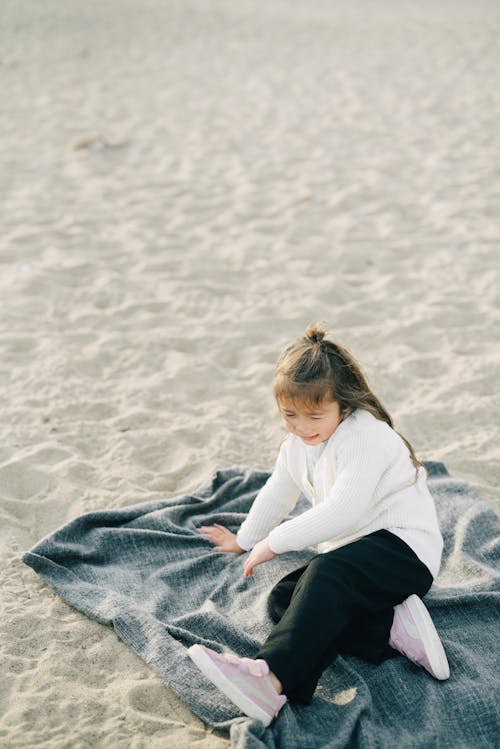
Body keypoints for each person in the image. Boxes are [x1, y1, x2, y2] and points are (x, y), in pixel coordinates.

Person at [188, 323, 450, 727]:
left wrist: (274, 542)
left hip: (403, 550)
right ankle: (390, 627)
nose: (301, 426)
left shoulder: (365, 434)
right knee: (285, 601)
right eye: (289, 415)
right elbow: (278, 492)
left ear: (343, 406)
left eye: (314, 415)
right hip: (358, 557)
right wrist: (246, 539)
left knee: (326, 575)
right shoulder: (296, 446)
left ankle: (270, 680)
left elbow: (344, 509)